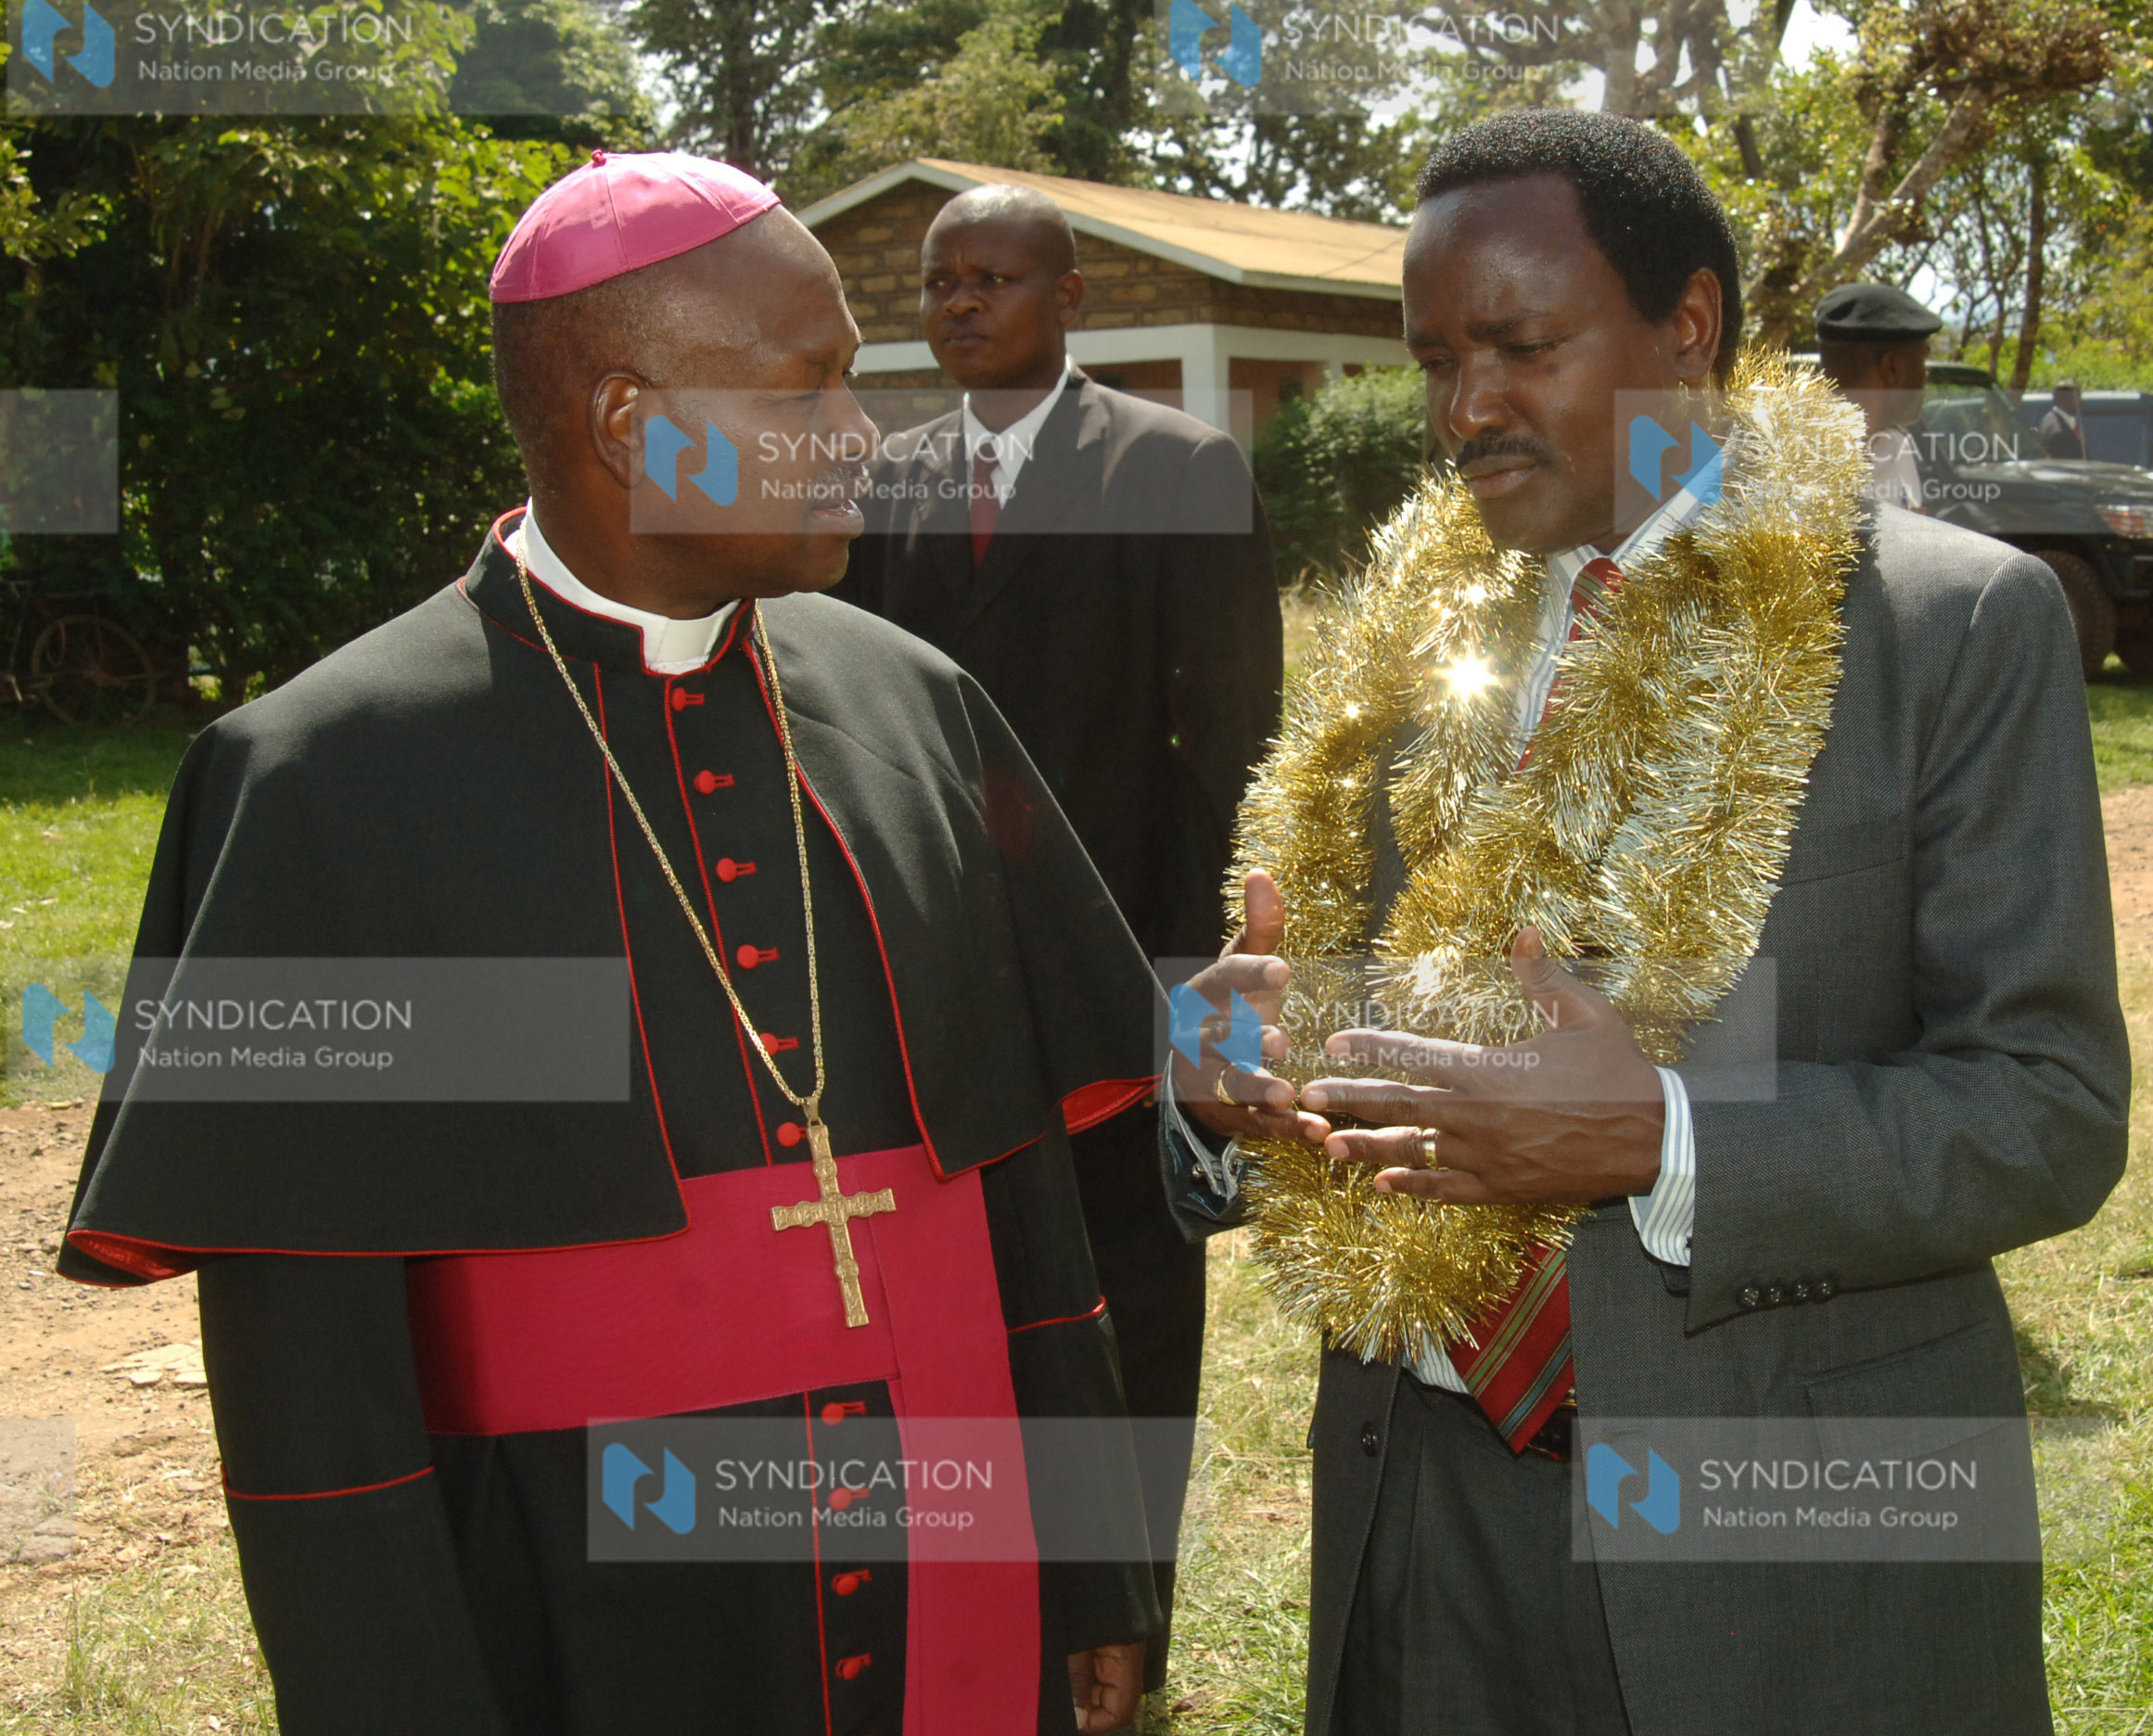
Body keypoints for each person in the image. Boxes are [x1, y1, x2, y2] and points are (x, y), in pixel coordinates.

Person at [57, 150, 1166, 1736]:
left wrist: (1096, 1558)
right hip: (582, 1616)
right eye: (810, 393)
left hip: (958, 1559)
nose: (865, 437)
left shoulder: (915, 704)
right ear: (634, 427)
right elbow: (315, 1386)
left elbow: (1022, 1192)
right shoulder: (326, 780)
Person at [1165, 110, 2126, 1735]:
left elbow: (2045, 1108)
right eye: (1430, 360)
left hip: (1779, 1545)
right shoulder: (1409, 652)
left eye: (1519, 346)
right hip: (1423, 1506)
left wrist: (1661, 1139)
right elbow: (1347, 1014)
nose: (1463, 410)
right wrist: (1229, 1060)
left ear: (1687, 327)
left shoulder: (1944, 627)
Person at [835, 180, 1282, 1689]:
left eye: (995, 279)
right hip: (926, 985)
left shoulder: (1177, 470)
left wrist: (1195, 998)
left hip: (1121, 984)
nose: (960, 304)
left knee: (1129, 1316)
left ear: (1070, 299)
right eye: (941, 280)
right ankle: (987, 1615)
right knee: (959, 1304)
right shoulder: (885, 486)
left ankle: (1121, 1635)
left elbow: (1231, 748)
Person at [1815, 280, 1943, 511]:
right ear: (1892, 368)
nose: (1926, 375)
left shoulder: (1896, 445)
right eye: (1921, 360)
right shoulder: (1805, 470)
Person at [2041, 378, 2090, 460]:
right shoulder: (2058, 432)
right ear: (2064, 399)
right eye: (2078, 396)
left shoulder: (2050, 418)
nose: (2081, 401)